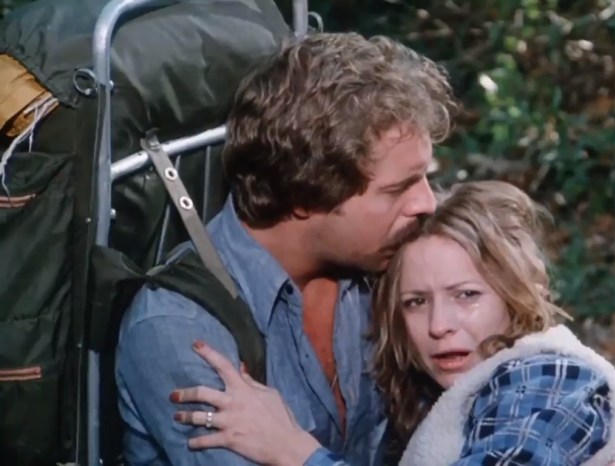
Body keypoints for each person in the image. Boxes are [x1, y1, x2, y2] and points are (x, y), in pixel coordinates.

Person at [115, 31, 458, 466]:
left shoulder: (385, 268)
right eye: (398, 189)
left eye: (424, 177)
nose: (426, 203)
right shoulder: (181, 329)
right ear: (305, 194)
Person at [169, 180, 615, 466]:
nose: (439, 325)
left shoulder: (548, 377)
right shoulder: (447, 391)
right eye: (416, 302)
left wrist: (294, 451)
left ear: (514, 295)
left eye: (466, 295)